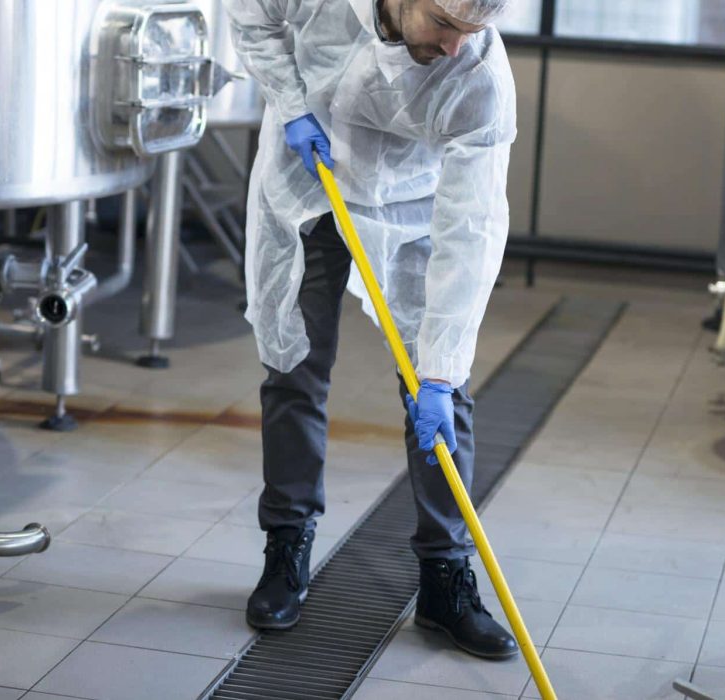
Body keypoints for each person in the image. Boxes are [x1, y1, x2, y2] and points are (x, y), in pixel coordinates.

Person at [226, 0, 518, 659]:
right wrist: (291, 103)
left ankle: (446, 579)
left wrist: (440, 370)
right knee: (293, 366)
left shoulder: (478, 73)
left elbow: (472, 229)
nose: (453, 48)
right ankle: (286, 548)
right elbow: (251, 12)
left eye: (469, 33)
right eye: (444, 25)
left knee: (443, 392)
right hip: (310, 184)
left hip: (412, 209)